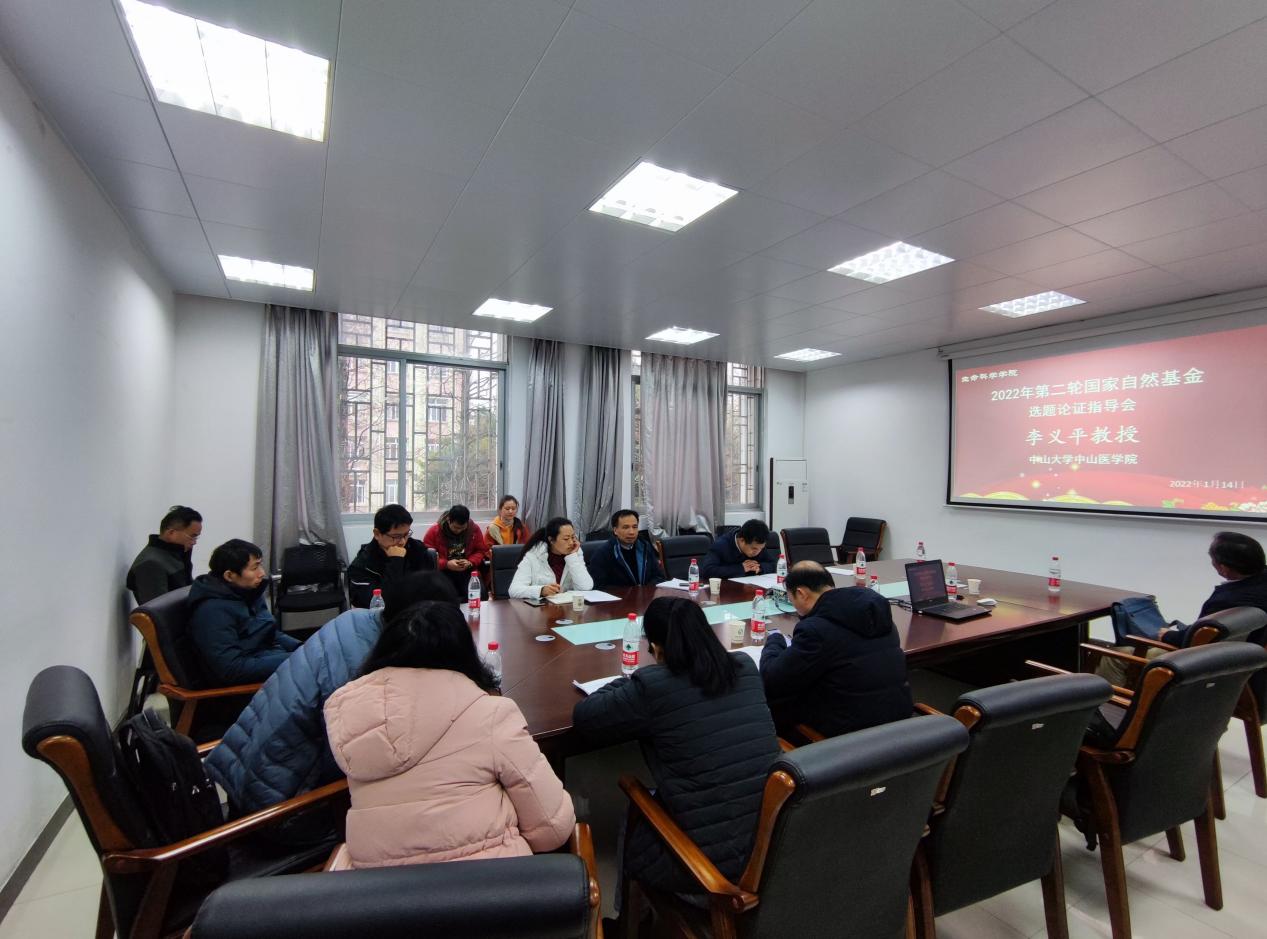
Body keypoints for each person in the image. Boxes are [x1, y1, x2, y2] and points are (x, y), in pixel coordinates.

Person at [324, 601, 575, 868]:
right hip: (490, 887)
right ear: (465, 654)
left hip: (372, 891)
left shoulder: (352, 717)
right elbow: (552, 830)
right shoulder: (490, 714)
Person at [572, 597, 780, 902]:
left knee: (635, 805)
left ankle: (625, 916)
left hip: (713, 877)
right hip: (775, 850)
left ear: (657, 648)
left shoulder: (653, 686)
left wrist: (630, 679)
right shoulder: (744, 666)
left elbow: (585, 717)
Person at [205, 572, 460, 815]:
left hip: (242, 766)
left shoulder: (354, 619)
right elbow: (353, 762)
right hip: (282, 803)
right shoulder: (362, 670)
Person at [760, 561, 913, 738]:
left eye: (791, 598)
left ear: (801, 593)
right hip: (898, 719)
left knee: (772, 701)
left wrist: (774, 640)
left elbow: (772, 678)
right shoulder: (876, 614)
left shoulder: (815, 630)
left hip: (851, 734)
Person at [188, 539, 301, 685]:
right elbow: (231, 670)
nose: (262, 573)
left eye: (260, 565)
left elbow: (270, 631)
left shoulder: (247, 591)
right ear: (229, 576)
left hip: (267, 657)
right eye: (254, 568)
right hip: (244, 680)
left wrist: (301, 648)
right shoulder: (212, 611)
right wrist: (295, 660)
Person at [1163, 532, 1267, 645]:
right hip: (1255, 649)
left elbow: (1194, 639)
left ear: (1224, 569)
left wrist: (1167, 635)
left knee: (1153, 647)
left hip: (1216, 653)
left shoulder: (1224, 601)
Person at [347, 504, 436, 608]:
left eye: (406, 534)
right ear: (377, 534)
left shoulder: (417, 549)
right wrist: (396, 561)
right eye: (396, 536)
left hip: (418, 611)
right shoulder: (362, 565)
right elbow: (377, 603)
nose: (402, 542)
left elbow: (430, 588)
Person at [127, 505, 203, 604]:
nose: (194, 542)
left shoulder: (177, 555)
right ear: (171, 533)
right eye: (192, 536)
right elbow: (157, 609)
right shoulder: (150, 564)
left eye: (196, 537)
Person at [508, 516, 593, 599]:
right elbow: (514, 590)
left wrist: (572, 557)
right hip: (542, 607)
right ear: (551, 540)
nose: (571, 542)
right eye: (566, 539)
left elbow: (586, 587)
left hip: (567, 606)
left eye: (573, 537)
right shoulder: (534, 555)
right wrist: (541, 590)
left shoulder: (575, 553)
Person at [423, 504, 489, 597]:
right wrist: (446, 564)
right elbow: (428, 557)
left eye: (462, 528)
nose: (459, 531)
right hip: (443, 572)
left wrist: (470, 562)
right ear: (448, 520)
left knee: (480, 595)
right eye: (455, 527)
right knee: (445, 596)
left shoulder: (473, 529)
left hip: (467, 571)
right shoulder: (435, 531)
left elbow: (480, 550)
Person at [586, 509, 665, 588]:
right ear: (615, 530)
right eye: (626, 527)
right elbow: (598, 585)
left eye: (635, 527)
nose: (631, 532)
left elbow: (659, 576)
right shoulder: (603, 553)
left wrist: (644, 589)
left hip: (645, 594)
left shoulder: (644, 546)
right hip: (618, 595)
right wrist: (632, 591)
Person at [699, 519, 777, 580]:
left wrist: (760, 567)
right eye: (754, 548)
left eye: (761, 548)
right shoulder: (720, 546)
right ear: (742, 540)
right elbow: (707, 571)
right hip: (726, 591)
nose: (758, 552)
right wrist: (741, 568)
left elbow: (774, 564)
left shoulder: (758, 545)